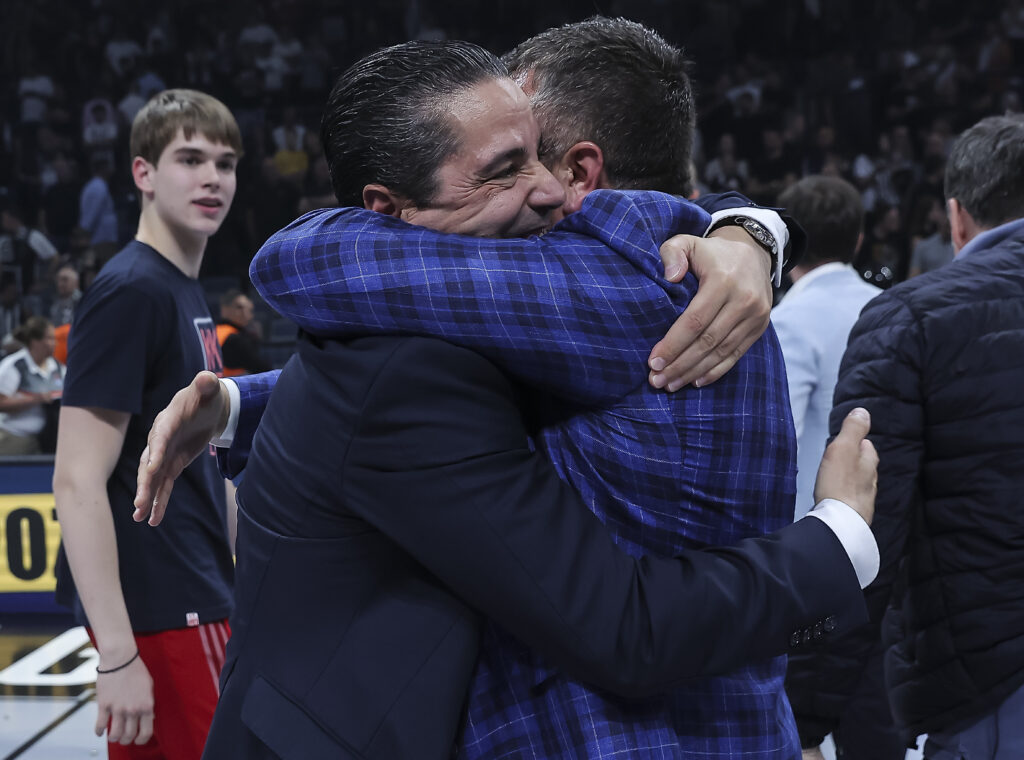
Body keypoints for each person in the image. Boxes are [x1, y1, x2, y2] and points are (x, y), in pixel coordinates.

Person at [138, 39, 878, 760]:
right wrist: (752, 226)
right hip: (748, 723)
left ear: (584, 164)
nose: (546, 189)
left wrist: (836, 535)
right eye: (505, 167)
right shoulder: (689, 268)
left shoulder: (594, 292)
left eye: (539, 154)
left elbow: (299, 259)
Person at [786, 113, 1024, 760]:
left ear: (956, 219)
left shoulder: (910, 318)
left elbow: (869, 529)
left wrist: (805, 717)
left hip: (991, 685)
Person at [52, 89, 241, 759]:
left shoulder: (184, 289)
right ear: (143, 173)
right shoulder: (131, 290)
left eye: (225, 162)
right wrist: (117, 657)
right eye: (190, 158)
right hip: (163, 610)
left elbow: (207, 465)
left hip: (196, 592)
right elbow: (77, 480)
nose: (212, 177)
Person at [772, 176, 881, 520]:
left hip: (813, 528)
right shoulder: (891, 307)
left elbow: (780, 441)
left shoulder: (785, 320)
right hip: (890, 515)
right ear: (859, 240)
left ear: (788, 246)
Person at [0, 316, 62, 455]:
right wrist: (36, 399)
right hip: (15, 437)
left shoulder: (57, 367)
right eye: (50, 338)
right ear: (35, 341)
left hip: (49, 439)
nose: (55, 343)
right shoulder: (14, 366)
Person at [216, 289, 269, 376]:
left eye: (249, 309)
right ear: (224, 309)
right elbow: (262, 368)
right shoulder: (234, 339)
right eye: (239, 307)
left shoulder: (213, 330)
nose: (244, 313)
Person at [50, 263, 82, 327]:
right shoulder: (53, 300)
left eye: (65, 280)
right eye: (58, 280)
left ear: (76, 282)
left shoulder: (82, 301)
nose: (60, 284)